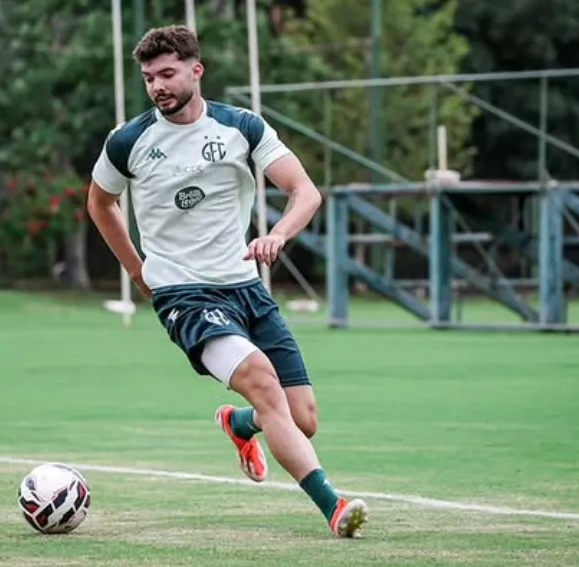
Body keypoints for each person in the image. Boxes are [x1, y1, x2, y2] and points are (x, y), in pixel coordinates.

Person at [87, 24, 367, 538]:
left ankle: (239, 424)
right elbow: (100, 202)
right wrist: (136, 268)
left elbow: (305, 192)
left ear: (197, 70)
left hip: (245, 289)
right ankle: (333, 504)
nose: (157, 86)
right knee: (264, 383)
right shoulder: (128, 141)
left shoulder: (241, 127)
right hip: (183, 295)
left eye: (167, 74)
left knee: (301, 417)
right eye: (149, 78)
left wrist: (277, 234)